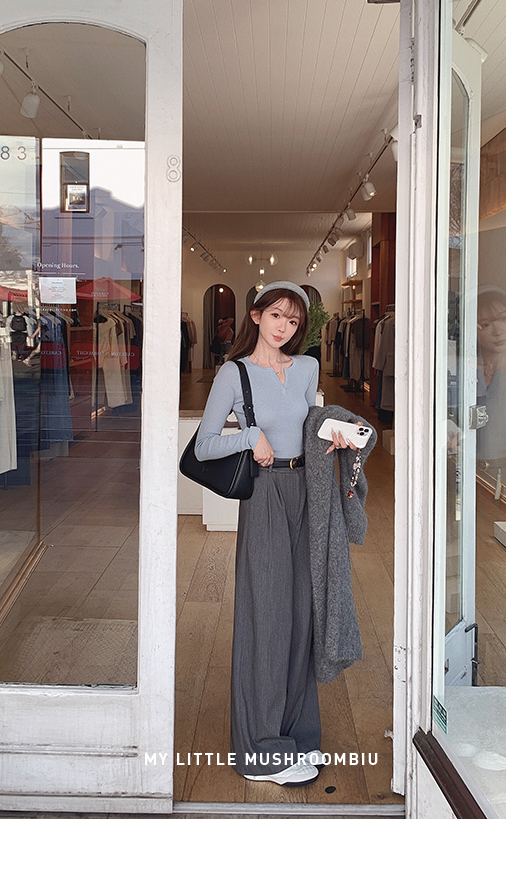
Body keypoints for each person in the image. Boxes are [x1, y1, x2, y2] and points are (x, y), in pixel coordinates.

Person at [194, 280, 353, 786]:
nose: (284, 326)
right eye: (277, 315)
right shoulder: (233, 373)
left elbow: (308, 426)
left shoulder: (306, 367)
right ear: (257, 315)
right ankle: (262, 749)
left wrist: (333, 438)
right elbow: (202, 446)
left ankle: (297, 736)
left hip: (307, 490)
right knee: (266, 615)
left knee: (302, 613)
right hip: (264, 494)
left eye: (293, 320)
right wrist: (249, 436)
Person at [475, 289, 506, 494]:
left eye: (503, 319)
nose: (498, 331)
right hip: (464, 472)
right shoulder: (462, 372)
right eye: (486, 324)